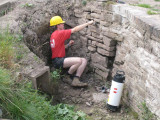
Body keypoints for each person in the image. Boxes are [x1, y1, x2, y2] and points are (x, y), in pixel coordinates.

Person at [50, 16, 93, 87]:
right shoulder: (59, 33)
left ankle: (76, 79)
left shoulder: (54, 34)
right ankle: (67, 76)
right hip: (57, 61)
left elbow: (60, 47)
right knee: (79, 61)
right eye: (62, 23)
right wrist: (87, 23)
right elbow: (75, 29)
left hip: (60, 59)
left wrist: (68, 45)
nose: (63, 24)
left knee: (84, 60)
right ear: (58, 25)